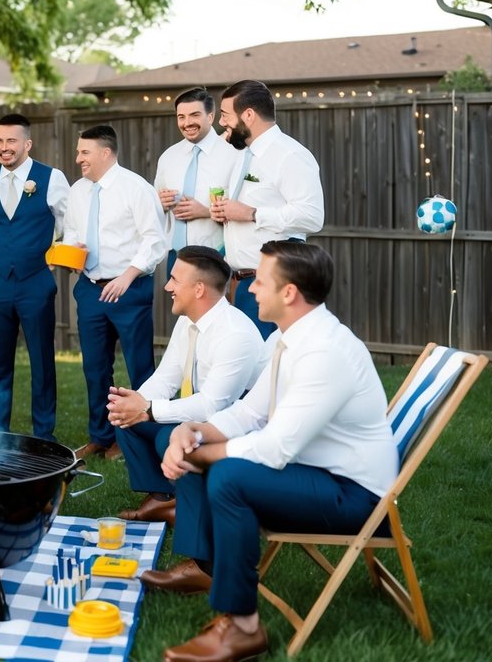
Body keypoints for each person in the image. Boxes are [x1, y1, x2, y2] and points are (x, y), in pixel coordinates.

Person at [144, 242, 397, 662]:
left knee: (229, 476)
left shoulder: (325, 351)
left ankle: (243, 627)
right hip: (317, 471)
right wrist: (191, 432)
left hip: (355, 497)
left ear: (289, 293)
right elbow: (249, 413)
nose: (249, 288)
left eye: (260, 281)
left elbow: (276, 447)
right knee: (216, 462)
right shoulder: (287, 338)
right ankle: (209, 572)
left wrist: (198, 454)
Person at [106, 245, 265, 526]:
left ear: (199, 289)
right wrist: (134, 402)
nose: (167, 286)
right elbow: (165, 379)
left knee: (164, 437)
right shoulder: (187, 322)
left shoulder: (235, 334)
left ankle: (188, 503)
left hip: (232, 427)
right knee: (124, 417)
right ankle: (164, 498)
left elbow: (211, 406)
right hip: (201, 416)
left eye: (174, 280)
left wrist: (148, 409)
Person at [0, 113, 68, 440]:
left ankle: (44, 436)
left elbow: (70, 225)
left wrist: (55, 259)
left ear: (27, 144)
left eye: (11, 140)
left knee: (42, 362)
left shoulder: (52, 178)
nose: (4, 147)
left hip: (36, 282)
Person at [62, 125, 166, 461]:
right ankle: (101, 436)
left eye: (85, 152)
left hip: (129, 289)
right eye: (78, 152)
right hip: (89, 290)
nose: (78, 158)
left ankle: (137, 437)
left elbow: (155, 240)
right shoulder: (77, 191)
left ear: (105, 153)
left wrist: (127, 276)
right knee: (95, 367)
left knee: (140, 367)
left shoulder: (137, 188)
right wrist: (72, 254)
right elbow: (72, 232)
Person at [210, 80, 324, 338]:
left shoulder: (290, 155)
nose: (221, 122)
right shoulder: (243, 153)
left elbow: (312, 216)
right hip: (239, 283)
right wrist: (226, 214)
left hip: (271, 284)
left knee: (266, 359)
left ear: (248, 115)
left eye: (225, 115)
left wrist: (251, 214)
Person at [154, 87, 239, 275]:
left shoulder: (234, 156)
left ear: (210, 116)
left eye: (194, 115)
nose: (187, 123)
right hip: (175, 256)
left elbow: (247, 209)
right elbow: (153, 208)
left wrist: (206, 211)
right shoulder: (168, 157)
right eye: (181, 117)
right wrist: (159, 203)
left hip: (216, 254)